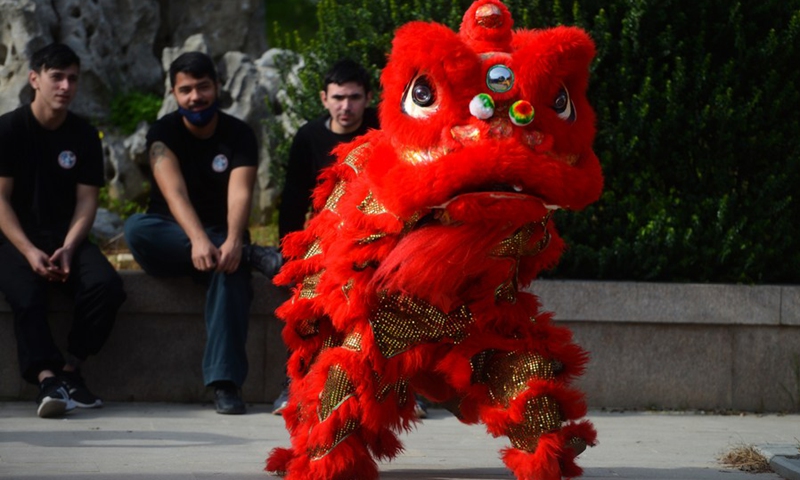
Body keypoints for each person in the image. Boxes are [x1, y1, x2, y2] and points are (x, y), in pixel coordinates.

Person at [123, 51, 278, 415]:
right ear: (175, 94)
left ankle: (225, 384)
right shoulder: (162, 133)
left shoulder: (238, 133)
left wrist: (234, 241)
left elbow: (241, 192)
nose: (196, 97)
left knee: (230, 269)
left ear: (217, 87)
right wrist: (196, 240)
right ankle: (250, 255)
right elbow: (172, 193)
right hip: (171, 237)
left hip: (222, 236)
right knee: (135, 228)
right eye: (186, 90)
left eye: (203, 87)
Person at [0, 42, 127, 419]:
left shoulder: (85, 135)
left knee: (106, 286)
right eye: (56, 77)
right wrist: (27, 251)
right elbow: (0, 200)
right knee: (26, 294)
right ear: (34, 79)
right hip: (13, 236)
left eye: (72, 79)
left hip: (65, 236)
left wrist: (70, 248)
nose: (65, 86)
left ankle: (71, 371)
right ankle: (45, 378)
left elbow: (87, 201)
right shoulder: (7, 129)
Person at [273, 58, 405, 415]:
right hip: (325, 239)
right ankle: (294, 386)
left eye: (354, 98)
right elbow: (293, 199)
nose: (346, 107)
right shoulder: (309, 136)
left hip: (377, 237)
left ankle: (402, 390)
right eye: (338, 98)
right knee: (306, 302)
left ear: (368, 99)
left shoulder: (381, 130)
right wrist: (289, 252)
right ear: (324, 98)